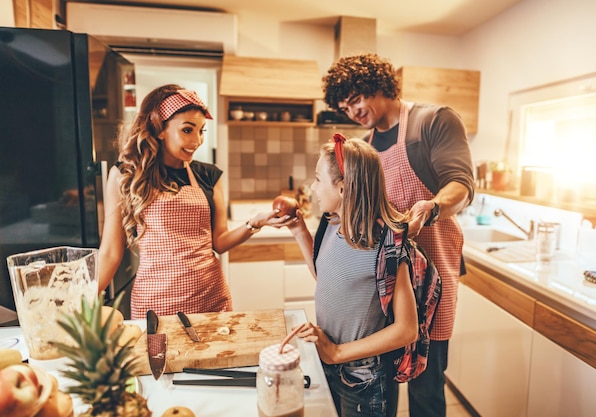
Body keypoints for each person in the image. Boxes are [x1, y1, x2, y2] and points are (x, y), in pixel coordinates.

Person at [322, 53, 475, 417]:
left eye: (357, 99)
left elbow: (462, 185)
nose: (353, 110)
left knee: (426, 388)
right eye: (345, 106)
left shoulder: (432, 121)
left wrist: (432, 207)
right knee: (381, 380)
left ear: (380, 85)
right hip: (386, 281)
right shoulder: (364, 145)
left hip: (433, 278)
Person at [98, 84, 286, 319]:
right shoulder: (127, 175)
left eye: (201, 131)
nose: (197, 141)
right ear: (159, 129)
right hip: (155, 302)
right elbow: (110, 253)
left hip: (210, 296)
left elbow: (219, 242)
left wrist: (255, 224)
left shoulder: (209, 175)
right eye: (187, 130)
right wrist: (83, 299)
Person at [288, 134, 419, 417]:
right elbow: (328, 278)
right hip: (330, 360)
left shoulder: (387, 246)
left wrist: (337, 352)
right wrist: (299, 230)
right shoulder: (332, 223)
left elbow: (408, 329)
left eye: (318, 179)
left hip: (365, 377)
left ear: (344, 188)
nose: (312, 187)